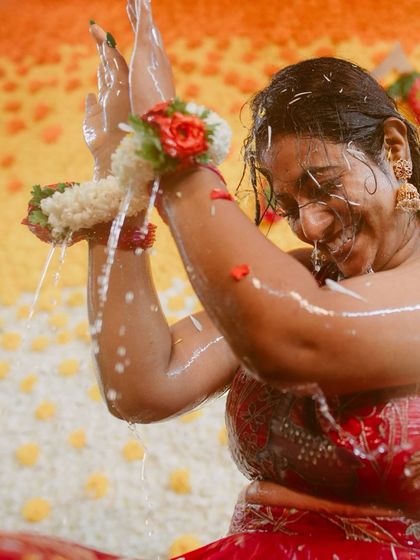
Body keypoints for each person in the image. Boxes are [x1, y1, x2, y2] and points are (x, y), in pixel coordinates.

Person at [4, 0, 420, 558]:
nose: (310, 225)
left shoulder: (293, 308)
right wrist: (120, 183)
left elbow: (294, 335)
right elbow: (145, 385)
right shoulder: (298, 281)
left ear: (394, 151)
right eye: (289, 206)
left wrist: (170, 143)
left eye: (323, 186)